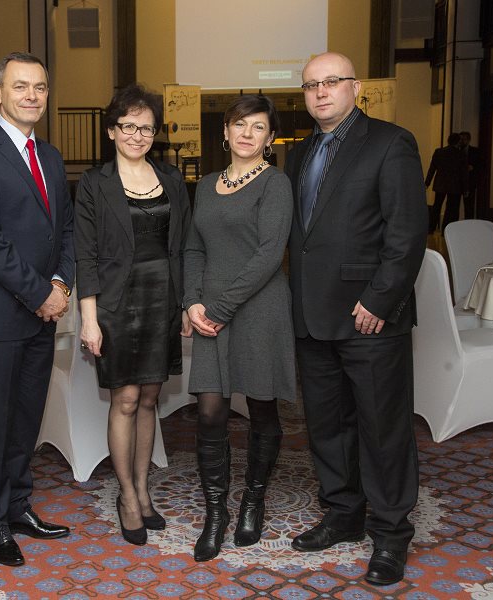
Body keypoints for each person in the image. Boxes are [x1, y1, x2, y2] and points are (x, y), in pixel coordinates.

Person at [285, 52, 426, 586]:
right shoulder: (299, 154)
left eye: (332, 82)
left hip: (370, 316)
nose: (321, 92)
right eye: (311, 86)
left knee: (383, 429)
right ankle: (343, 513)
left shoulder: (391, 143)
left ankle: (390, 533)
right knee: (328, 426)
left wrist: (380, 301)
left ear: (356, 87)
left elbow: (407, 233)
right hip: (311, 314)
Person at [0, 52, 74, 568]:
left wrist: (61, 283)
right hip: (0, 314)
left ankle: (19, 505)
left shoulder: (50, 156)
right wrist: (41, 293)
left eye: (40, 87)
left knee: (27, 418)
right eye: (21, 86)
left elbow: (65, 230)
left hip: (41, 314)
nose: (32, 95)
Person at [74, 84, 192, 546]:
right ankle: (126, 495)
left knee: (149, 399)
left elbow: (184, 247)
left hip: (163, 299)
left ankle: (143, 488)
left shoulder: (173, 179)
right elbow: (85, 255)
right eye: (128, 126)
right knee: (124, 399)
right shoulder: (93, 183)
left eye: (146, 128)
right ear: (111, 130)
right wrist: (89, 318)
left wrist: (187, 302)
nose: (137, 135)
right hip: (117, 305)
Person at [183, 94, 296, 562]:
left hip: (259, 308)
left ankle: (253, 499)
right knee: (210, 412)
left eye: (258, 127)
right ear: (225, 131)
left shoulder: (276, 184)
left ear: (270, 138)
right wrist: (192, 301)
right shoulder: (207, 185)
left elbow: (270, 254)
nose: (247, 133)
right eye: (239, 124)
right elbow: (194, 248)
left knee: (262, 408)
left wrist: (220, 308)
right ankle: (216, 514)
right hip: (210, 312)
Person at [425, 132, 468, 233]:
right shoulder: (461, 154)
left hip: (440, 183)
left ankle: (431, 227)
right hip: (455, 185)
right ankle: (447, 230)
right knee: (451, 209)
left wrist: (427, 182)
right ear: (458, 142)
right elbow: (464, 173)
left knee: (437, 206)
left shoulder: (439, 152)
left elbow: (432, 168)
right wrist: (465, 188)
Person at [459, 131, 481, 219]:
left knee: (469, 206)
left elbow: (481, 165)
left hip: (470, 181)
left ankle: (469, 222)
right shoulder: (457, 151)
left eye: (464, 139)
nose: (462, 141)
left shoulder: (475, 151)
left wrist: (473, 167)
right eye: (460, 139)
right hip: (457, 181)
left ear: (468, 140)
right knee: (454, 206)